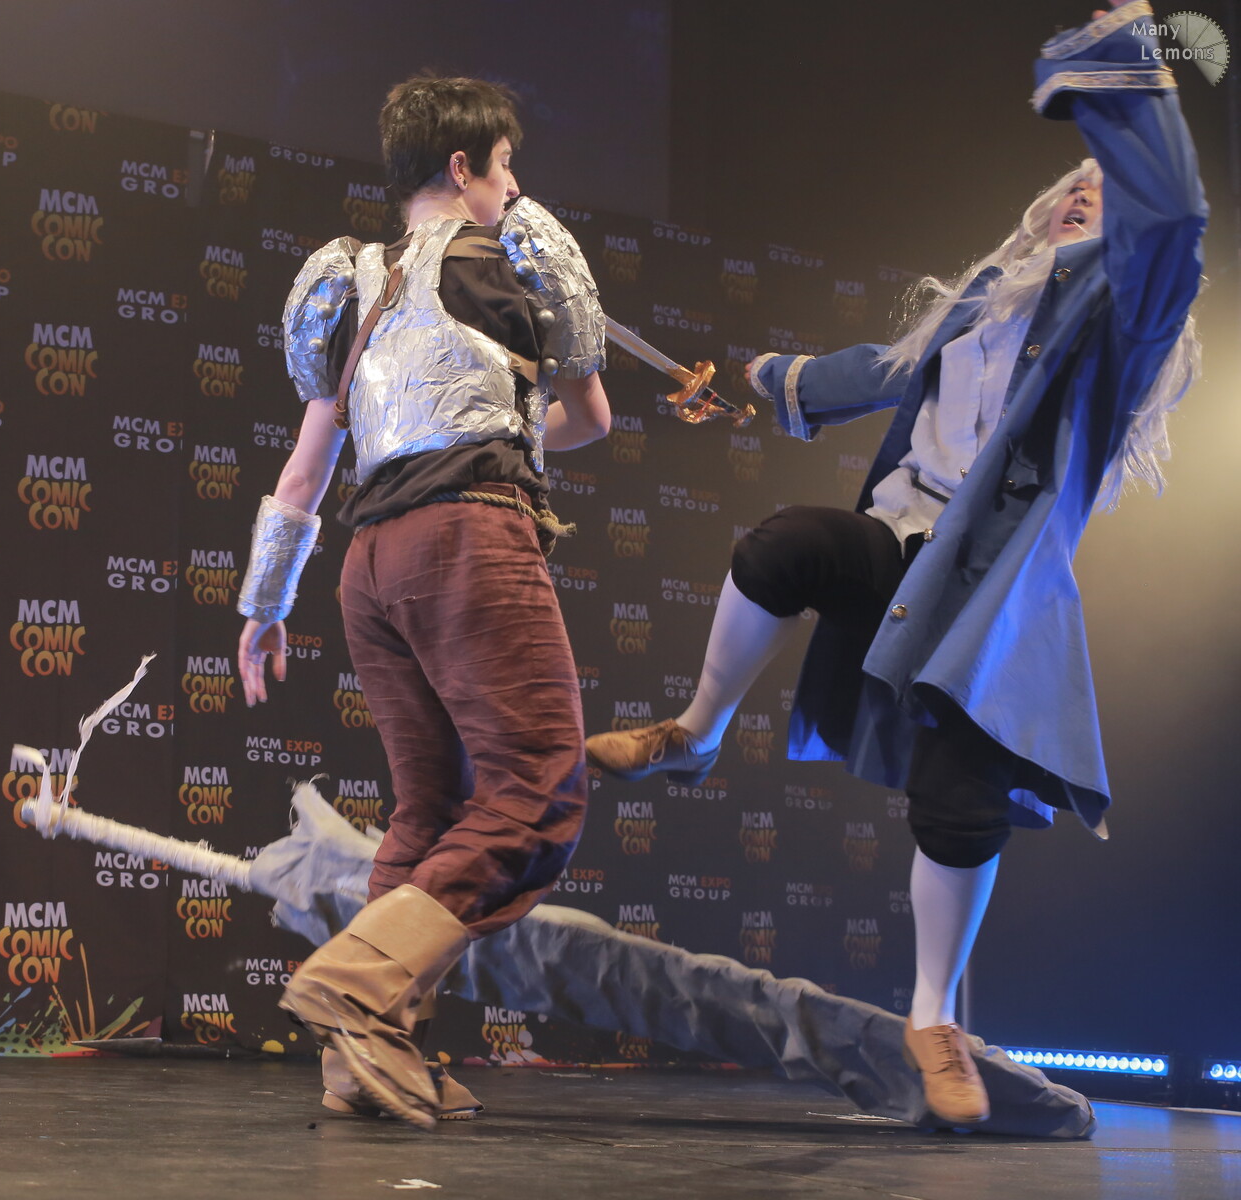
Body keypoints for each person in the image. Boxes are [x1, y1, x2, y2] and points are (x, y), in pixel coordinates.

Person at [587, 2, 1202, 1126]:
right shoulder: (981, 303)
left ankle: (932, 1020)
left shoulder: (1121, 329)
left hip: (987, 599)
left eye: (1105, 187)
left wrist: (1130, 66)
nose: (1085, 192)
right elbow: (882, 368)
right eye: (1074, 184)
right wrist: (771, 380)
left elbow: (1173, 220)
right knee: (786, 544)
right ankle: (697, 733)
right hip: (899, 545)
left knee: (959, 806)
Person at [236, 74, 612, 1129]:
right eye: (506, 165)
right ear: (464, 167)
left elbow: (308, 467)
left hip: (370, 566)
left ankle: (358, 1057)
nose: (514, 186)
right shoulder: (510, 262)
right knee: (538, 790)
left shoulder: (349, 284)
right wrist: (520, 415)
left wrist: (264, 604)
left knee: (429, 811)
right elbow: (592, 417)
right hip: (468, 538)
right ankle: (360, 986)